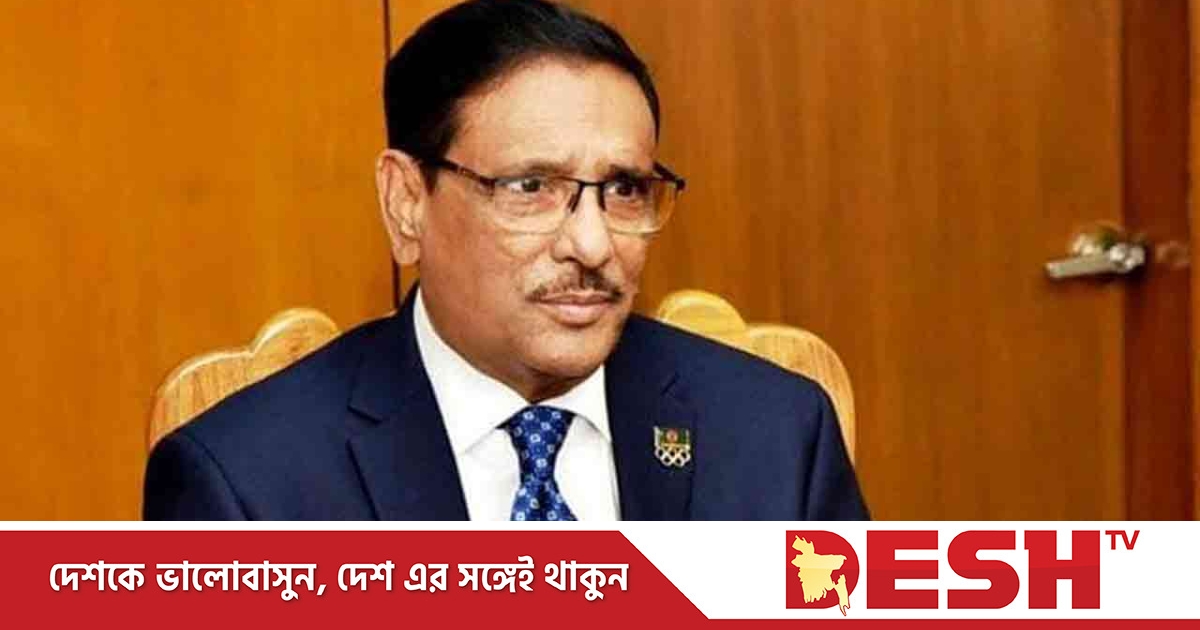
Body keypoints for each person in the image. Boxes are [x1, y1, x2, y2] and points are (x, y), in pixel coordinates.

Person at [143, 0, 867, 521]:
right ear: (406, 201)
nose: (592, 245)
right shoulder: (245, 485)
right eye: (530, 188)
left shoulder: (778, 436)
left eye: (623, 189)